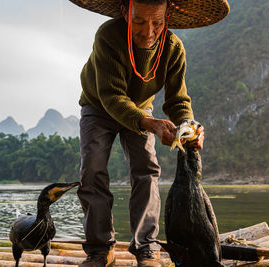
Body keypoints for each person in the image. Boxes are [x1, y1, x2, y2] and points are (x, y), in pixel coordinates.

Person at [69, 0, 229, 266]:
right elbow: (112, 97)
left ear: (169, 15)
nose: (148, 32)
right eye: (139, 21)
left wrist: (190, 126)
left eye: (157, 22)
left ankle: (147, 249)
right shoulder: (108, 36)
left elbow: (178, 101)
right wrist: (151, 124)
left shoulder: (173, 47)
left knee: (147, 170)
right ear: (125, 12)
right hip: (98, 106)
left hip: (142, 108)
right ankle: (100, 250)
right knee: (92, 170)